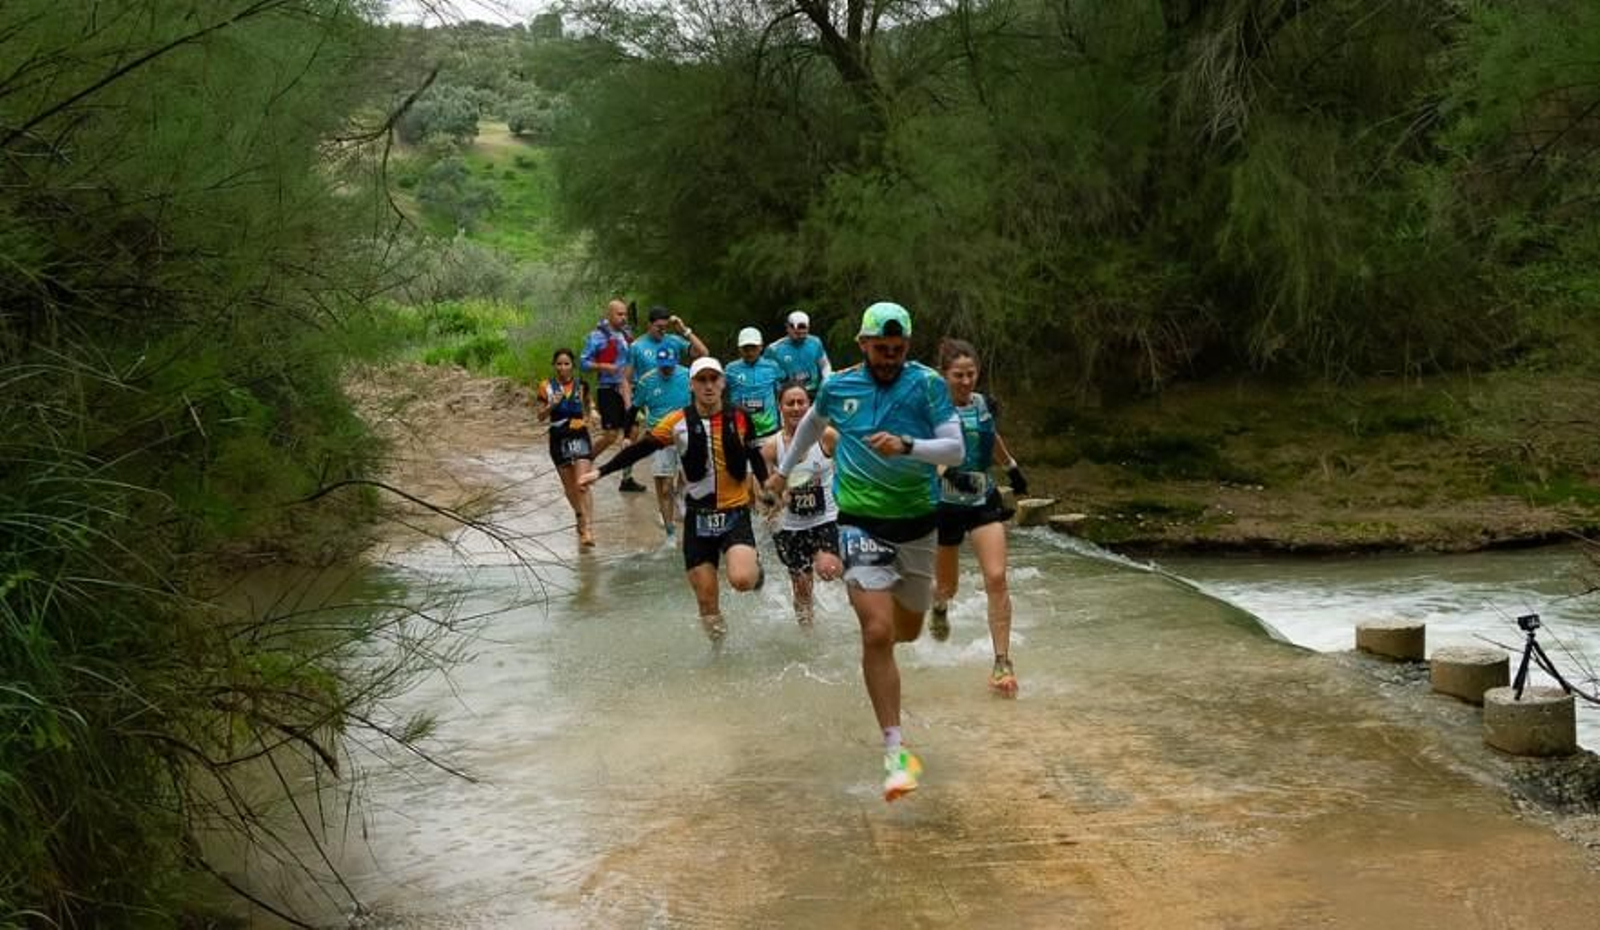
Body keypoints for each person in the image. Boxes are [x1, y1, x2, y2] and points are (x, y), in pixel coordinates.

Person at [766, 302, 964, 802]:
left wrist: (908, 446)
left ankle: (904, 646)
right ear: (863, 345)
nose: (890, 358)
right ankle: (896, 752)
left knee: (908, 629)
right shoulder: (840, 386)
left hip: (918, 523)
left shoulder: (927, 385)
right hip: (858, 521)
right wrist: (785, 469)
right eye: (881, 350)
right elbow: (812, 424)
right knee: (877, 631)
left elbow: (954, 450)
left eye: (898, 350)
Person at [581, 358, 770, 644]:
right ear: (691, 385)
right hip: (697, 519)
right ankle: (720, 654)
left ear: (722, 383)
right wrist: (600, 471)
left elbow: (754, 455)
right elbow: (640, 450)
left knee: (742, 580)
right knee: (707, 605)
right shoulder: (677, 422)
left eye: (713, 379)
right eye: (701, 380)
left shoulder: (740, 417)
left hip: (734, 513)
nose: (708, 386)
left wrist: (767, 486)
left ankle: (757, 572)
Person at [928, 338, 1029, 697]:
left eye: (971, 374)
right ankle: (939, 607)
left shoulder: (983, 404)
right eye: (958, 375)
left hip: (983, 501)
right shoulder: (933, 409)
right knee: (947, 587)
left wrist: (1012, 467)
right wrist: (945, 470)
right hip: (944, 504)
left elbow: (990, 436)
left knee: (997, 577)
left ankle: (1002, 662)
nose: (966, 381)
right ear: (944, 375)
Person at [761, 380, 841, 628]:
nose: (796, 408)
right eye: (790, 403)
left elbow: (851, 468)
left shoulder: (827, 437)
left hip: (825, 518)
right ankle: (808, 634)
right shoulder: (771, 447)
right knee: (802, 588)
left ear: (810, 407)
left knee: (828, 570)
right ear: (780, 408)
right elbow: (762, 497)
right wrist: (778, 501)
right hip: (790, 526)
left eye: (801, 402)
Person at [623, 306, 707, 489]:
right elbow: (626, 378)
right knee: (635, 436)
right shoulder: (637, 347)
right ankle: (627, 476)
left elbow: (703, 354)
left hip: (676, 400)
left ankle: (679, 498)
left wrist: (684, 330)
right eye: (658, 327)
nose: (662, 330)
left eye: (665, 327)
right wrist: (630, 405)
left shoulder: (674, 341)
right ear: (649, 325)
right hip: (650, 398)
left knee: (683, 464)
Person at [578, 298, 646, 493]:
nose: (623, 318)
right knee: (610, 436)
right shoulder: (596, 336)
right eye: (619, 314)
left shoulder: (627, 335)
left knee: (632, 432)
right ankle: (585, 461)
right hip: (607, 389)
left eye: (625, 314)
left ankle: (627, 478)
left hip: (627, 390)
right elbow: (583, 363)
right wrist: (602, 366)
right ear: (609, 314)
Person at [534, 348, 596, 548]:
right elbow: (540, 416)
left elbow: (589, 404)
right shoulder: (546, 386)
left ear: (573, 366)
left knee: (582, 482)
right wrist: (552, 404)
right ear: (554, 366)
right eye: (559, 364)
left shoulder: (581, 385)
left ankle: (587, 529)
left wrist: (591, 415)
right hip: (558, 437)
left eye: (566, 363)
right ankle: (579, 515)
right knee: (570, 487)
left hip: (579, 434)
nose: (562, 368)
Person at [633, 346, 692, 539]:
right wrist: (628, 436)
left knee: (687, 477)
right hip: (659, 437)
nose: (666, 370)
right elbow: (635, 408)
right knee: (665, 486)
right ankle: (670, 533)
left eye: (670, 367)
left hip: (685, 434)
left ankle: (680, 497)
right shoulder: (646, 381)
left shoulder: (688, 376)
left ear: (676, 362)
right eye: (663, 367)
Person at [725, 327, 787, 446]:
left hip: (769, 429)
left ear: (761, 347)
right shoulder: (730, 369)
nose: (749, 352)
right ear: (739, 349)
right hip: (740, 429)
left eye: (753, 348)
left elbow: (782, 391)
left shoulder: (772, 367)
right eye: (745, 348)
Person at [763, 310, 832, 398]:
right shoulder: (774, 349)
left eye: (803, 331)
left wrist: (826, 381)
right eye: (796, 332)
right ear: (787, 327)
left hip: (813, 391)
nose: (799, 335)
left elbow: (825, 365)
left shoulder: (815, 342)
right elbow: (766, 375)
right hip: (788, 394)